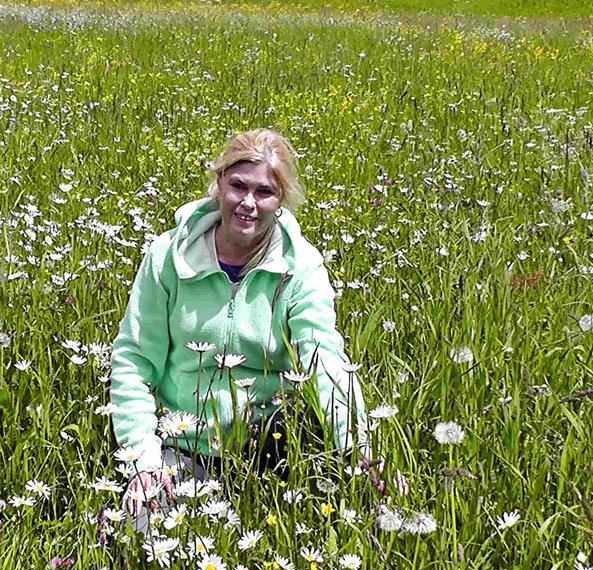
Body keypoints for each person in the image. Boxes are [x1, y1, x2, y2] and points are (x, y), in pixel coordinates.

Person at [109, 129, 408, 522]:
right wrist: (143, 462)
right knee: (141, 531)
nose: (248, 203)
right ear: (219, 185)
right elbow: (133, 360)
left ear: (280, 200)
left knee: (349, 519)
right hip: (180, 443)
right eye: (238, 186)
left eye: (265, 192)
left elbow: (323, 358)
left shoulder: (299, 266)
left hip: (271, 442)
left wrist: (359, 446)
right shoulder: (168, 256)